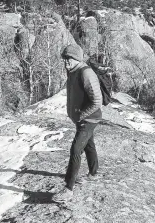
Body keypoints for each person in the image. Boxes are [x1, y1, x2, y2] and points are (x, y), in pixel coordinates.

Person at [52, 44, 102, 203]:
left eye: (69, 58)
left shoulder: (86, 73)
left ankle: (68, 189)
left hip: (89, 119)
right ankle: (94, 173)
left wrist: (81, 115)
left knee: (75, 149)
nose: (66, 61)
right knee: (89, 145)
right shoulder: (73, 71)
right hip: (82, 119)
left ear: (77, 58)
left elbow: (97, 101)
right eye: (64, 58)